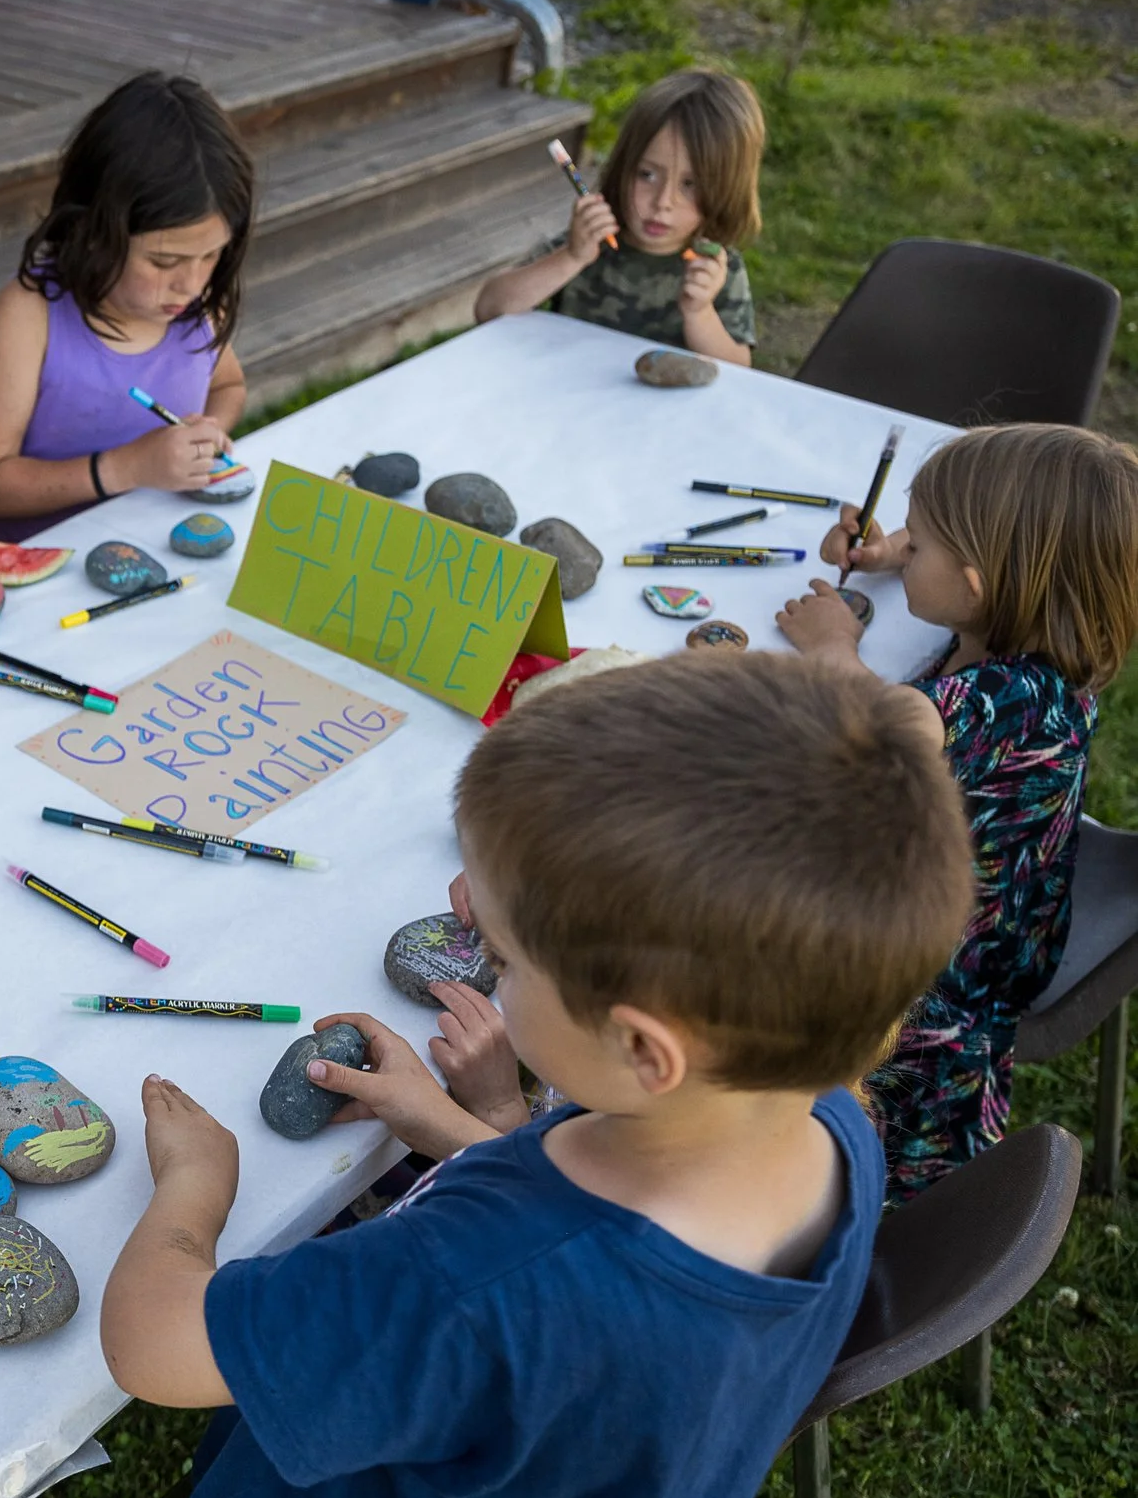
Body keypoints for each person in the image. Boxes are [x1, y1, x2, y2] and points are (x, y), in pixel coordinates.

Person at [103, 652, 973, 1498]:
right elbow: (602, 1250)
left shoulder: (468, 1282)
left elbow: (152, 1345)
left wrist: (196, 1189)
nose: (486, 958)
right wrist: (452, 1120)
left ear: (644, 1049)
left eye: (507, 959)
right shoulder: (827, 1119)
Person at [780, 423, 1138, 1201]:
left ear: (977, 584)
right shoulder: (1041, 632)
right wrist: (886, 556)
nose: (902, 550)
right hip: (1010, 898)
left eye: (919, 547)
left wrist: (834, 648)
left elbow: (889, 729)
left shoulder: (1005, 697)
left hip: (942, 981)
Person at [0, 71, 252, 554]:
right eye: (163, 261)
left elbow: (229, 385)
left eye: (211, 256)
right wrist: (126, 468)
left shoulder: (198, 303)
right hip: (40, 568)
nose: (191, 283)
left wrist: (211, 428)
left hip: (158, 546)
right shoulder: (28, 319)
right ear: (94, 231)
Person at [474, 68, 764, 365]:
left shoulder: (715, 268)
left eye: (691, 185)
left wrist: (699, 313)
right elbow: (490, 308)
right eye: (647, 175)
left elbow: (738, 370)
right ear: (623, 167)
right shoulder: (588, 243)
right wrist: (572, 258)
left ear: (727, 189)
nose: (663, 202)